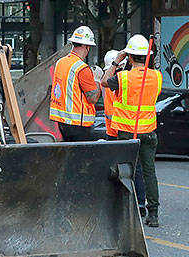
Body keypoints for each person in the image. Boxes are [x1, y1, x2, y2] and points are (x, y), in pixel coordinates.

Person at [103, 34, 161, 228]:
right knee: (149, 172)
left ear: (129, 57)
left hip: (126, 132)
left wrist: (115, 61)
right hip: (148, 131)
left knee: (125, 172)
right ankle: (152, 213)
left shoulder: (123, 77)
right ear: (148, 56)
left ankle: (126, 210)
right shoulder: (157, 76)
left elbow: (103, 81)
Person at [49, 26, 101, 142]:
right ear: (87, 47)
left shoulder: (61, 63)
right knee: (82, 158)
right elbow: (93, 98)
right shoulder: (82, 68)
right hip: (78, 124)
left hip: (62, 122)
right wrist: (97, 79)